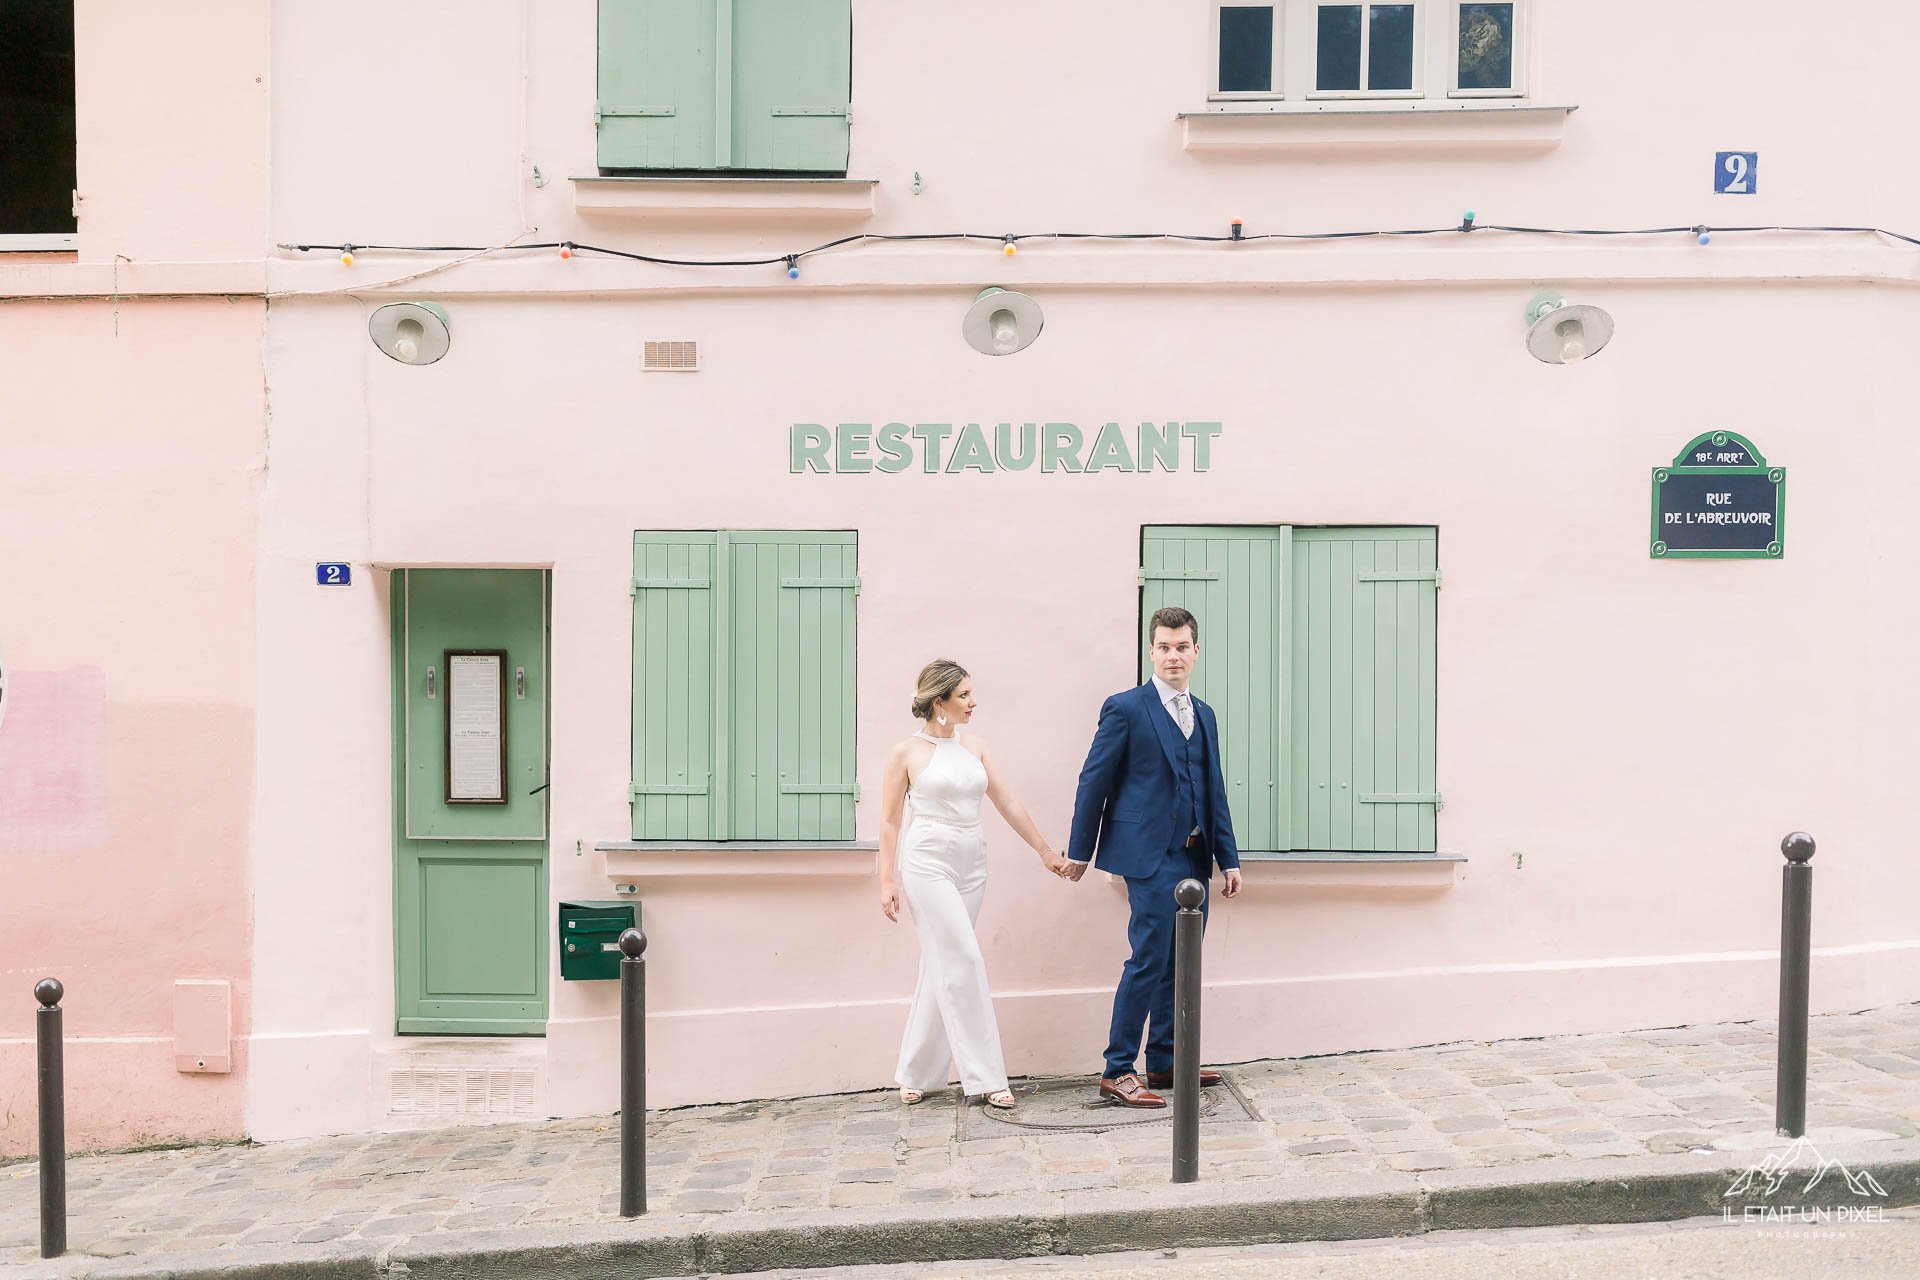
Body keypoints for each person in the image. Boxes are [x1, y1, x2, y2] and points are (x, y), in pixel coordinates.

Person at [1062, 607, 1242, 1108]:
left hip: (1194, 856)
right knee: (1148, 959)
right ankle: (1117, 1069)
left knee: (1182, 963)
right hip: (1148, 857)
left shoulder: (1203, 714)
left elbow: (1214, 791)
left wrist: (1229, 858)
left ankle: (1164, 1062)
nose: (1172, 656)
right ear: (1151, 651)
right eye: (1163, 647)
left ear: (1196, 651)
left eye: (1182, 646)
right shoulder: (1125, 708)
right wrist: (1080, 850)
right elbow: (1092, 782)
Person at [878, 659, 1069, 1108]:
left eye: (971, 693)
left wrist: (1043, 850)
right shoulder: (905, 753)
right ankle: (985, 1077)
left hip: (971, 865)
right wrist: (886, 879)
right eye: (964, 695)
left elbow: (1007, 802)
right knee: (963, 958)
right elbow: (888, 822)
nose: (973, 702)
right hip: (926, 865)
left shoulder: (975, 746)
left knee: (942, 964)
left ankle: (917, 1072)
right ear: (938, 701)